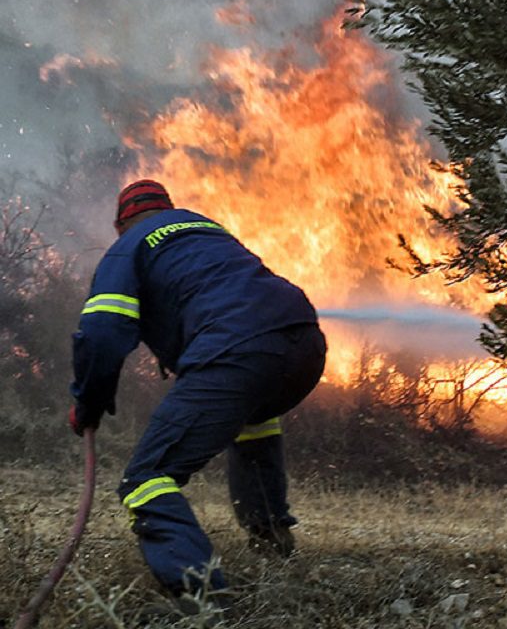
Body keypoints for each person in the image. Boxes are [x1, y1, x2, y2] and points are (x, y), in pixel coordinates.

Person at [68, 179, 326, 601]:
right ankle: (273, 545)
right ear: (169, 209)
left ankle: (204, 601)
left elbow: (101, 331)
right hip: (306, 346)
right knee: (253, 419)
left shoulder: (129, 246)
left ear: (120, 225)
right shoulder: (207, 230)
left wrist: (88, 402)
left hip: (236, 350)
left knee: (146, 479)